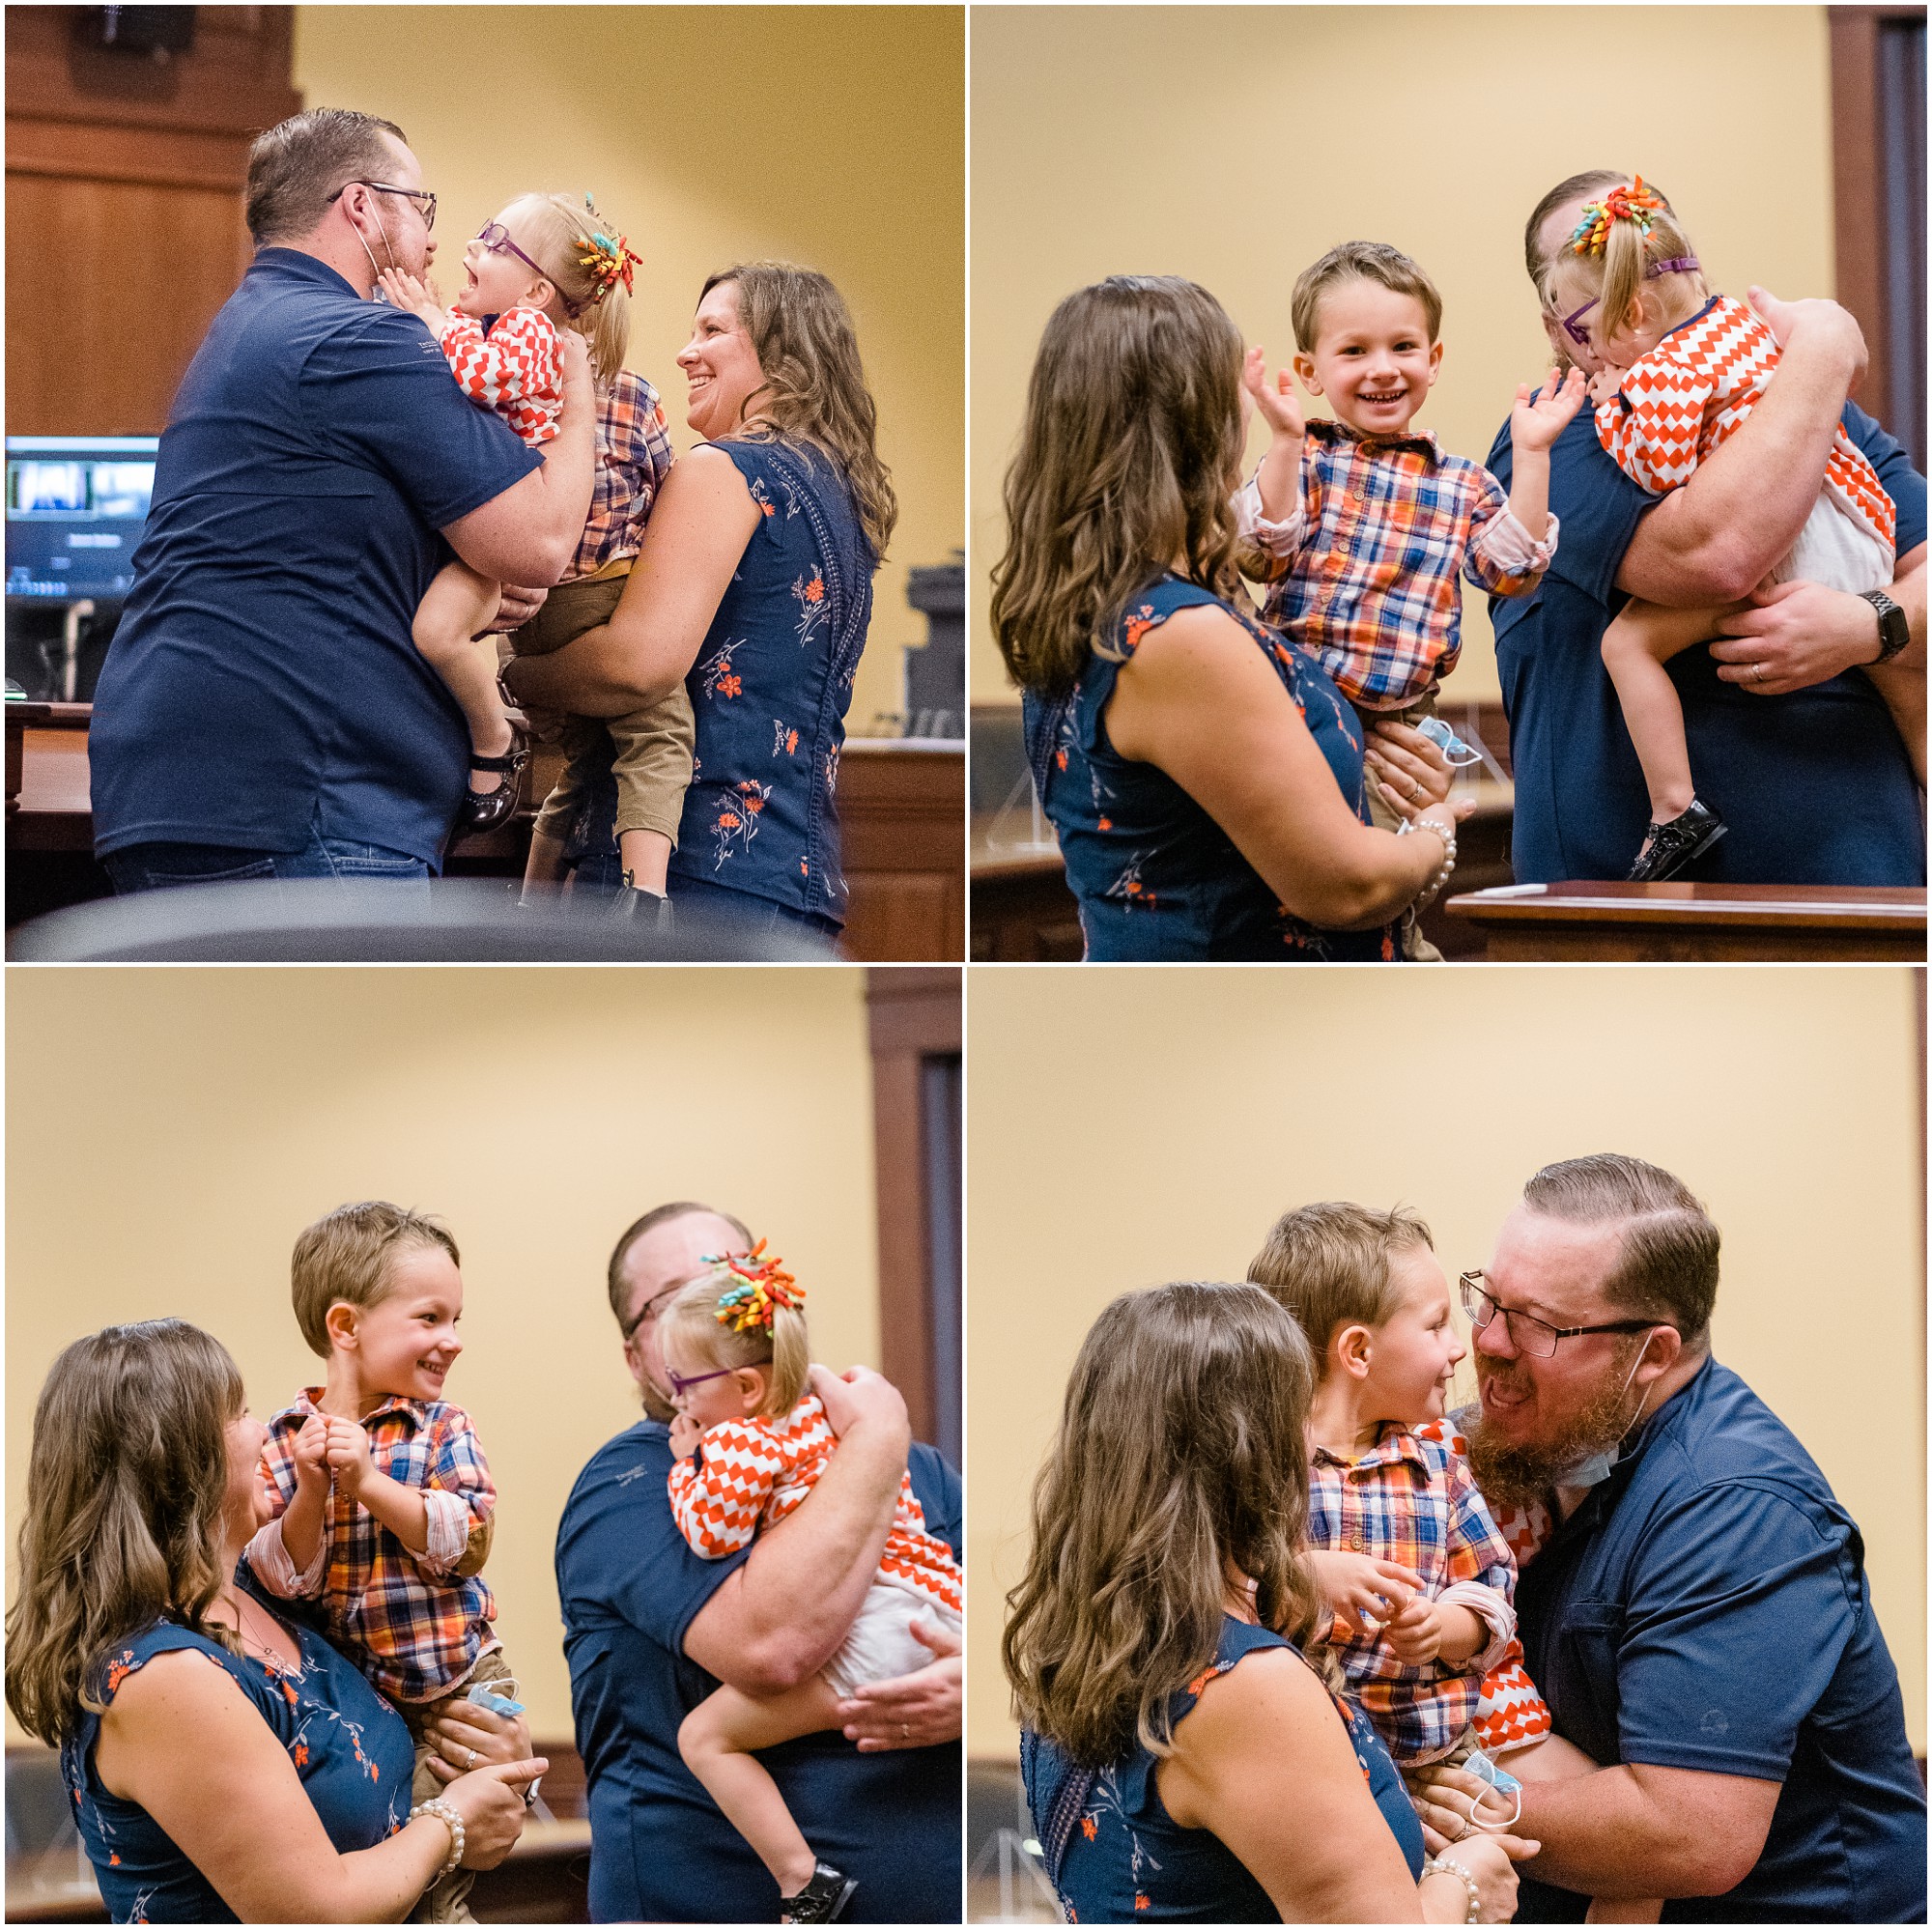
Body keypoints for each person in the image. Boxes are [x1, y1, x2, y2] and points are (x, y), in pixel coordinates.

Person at [1407, 1154, 1927, 1920]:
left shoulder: (1736, 1507)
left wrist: (1422, 1793)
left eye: (1539, 1324)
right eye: (1487, 1299)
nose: (1486, 1342)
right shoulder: (1523, 1442)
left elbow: (1689, 1834)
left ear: (1652, 1353)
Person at [90, 107, 596, 892]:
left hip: (180, 786)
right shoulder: (360, 340)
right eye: (421, 208)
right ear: (361, 206)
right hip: (308, 802)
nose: (435, 239)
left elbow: (314, 535)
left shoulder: (243, 328)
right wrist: (577, 368)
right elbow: (536, 543)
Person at [1005, 1278, 1536, 1922]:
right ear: (1251, 1452)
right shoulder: (1245, 1684)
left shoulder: (1085, 1635)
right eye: (1301, 1413)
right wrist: (1466, 1878)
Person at [991, 274, 1469, 962]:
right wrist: (1434, 829)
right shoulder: (1178, 635)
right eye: (1231, 396)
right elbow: (1347, 885)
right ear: (1195, 421)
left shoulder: (1125, 600)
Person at [4, 1319, 543, 1923]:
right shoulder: (160, 1675)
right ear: (178, 1462)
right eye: (237, 1414)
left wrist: (494, 1755)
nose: (264, 1429)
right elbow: (314, 1911)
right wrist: (452, 1825)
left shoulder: (263, 1594)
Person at [1488, 171, 1926, 886]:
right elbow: (1719, 553)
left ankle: (1677, 806)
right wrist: (1824, 346)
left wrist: (1869, 623)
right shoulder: (1547, 438)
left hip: (1856, 877)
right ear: (1553, 324)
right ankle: (1674, 811)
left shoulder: (1806, 405)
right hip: (1620, 902)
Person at [1250, 1202, 1662, 1926]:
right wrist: (1302, 1573)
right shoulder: (1266, 1465)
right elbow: (1215, 1587)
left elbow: (1494, 1582)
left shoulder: (1438, 1461)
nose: (1462, 1346)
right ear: (1357, 1351)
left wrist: (1451, 1626)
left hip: (1450, 1736)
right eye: (1438, 1324)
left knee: (1638, 1859)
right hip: (1325, 1760)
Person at [554, 1202, 963, 1922]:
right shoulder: (627, 1486)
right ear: (636, 1356)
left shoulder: (917, 1468)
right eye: (674, 1298)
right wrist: (875, 1437)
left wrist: (974, 1688)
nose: (710, 1310)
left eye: (732, 1283)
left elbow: (1030, 1647)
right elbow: (772, 1646)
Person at [505, 265, 895, 936]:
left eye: (714, 331)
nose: (686, 351)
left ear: (786, 356)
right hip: (798, 879)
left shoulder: (721, 469)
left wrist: (516, 677)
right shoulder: (841, 497)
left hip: (688, 878)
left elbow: (638, 665)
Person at [378, 194, 688, 882]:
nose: (468, 247)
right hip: (552, 569)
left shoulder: (528, 335)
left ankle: (546, 877)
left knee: (616, 752)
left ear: (541, 289)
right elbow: (662, 498)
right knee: (631, 747)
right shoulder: (513, 333)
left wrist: (430, 318)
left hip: (549, 568)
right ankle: (604, 895)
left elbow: (478, 377)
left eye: (491, 240)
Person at [662, 1246, 964, 1921]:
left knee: (704, 1738)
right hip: (937, 1608)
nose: (675, 1399)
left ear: (744, 1387)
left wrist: (686, 1465)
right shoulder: (834, 1414)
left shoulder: (743, 1441)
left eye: (684, 1383)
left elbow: (714, 1532)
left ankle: (804, 1882)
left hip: (878, 1631)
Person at [1236, 242, 1581, 818]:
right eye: (1353, 350)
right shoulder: (1306, 461)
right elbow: (1262, 551)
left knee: (1385, 876)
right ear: (1310, 371)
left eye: (1403, 346)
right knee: (1301, 854)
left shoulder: (1460, 484)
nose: (1383, 368)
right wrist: (1284, 440)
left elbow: (1511, 571)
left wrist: (1534, 454)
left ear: (1434, 358)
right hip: (1295, 707)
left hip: (1401, 725)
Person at [242, 1203, 517, 1922]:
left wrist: (368, 1483)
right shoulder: (279, 1440)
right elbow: (277, 1575)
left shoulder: (441, 1426)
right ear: (345, 1327)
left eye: (456, 1318)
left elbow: (469, 1537)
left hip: (461, 1678)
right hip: (370, 1699)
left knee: (444, 1845)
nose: (452, 1340)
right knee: (395, 1843)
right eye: (430, 1318)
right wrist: (310, 1491)